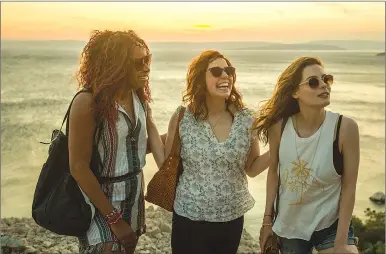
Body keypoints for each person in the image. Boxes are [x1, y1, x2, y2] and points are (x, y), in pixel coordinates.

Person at [147, 49, 270, 254]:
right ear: (200, 79)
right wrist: (150, 122)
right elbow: (165, 164)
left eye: (228, 70)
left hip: (231, 219)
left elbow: (252, 168)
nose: (225, 76)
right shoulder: (182, 117)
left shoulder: (246, 119)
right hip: (188, 218)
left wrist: (279, 148)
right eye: (216, 71)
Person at [254, 56, 360, 254]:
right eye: (313, 82)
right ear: (295, 92)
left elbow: (349, 186)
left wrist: (341, 242)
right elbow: (273, 173)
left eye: (326, 79)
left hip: (331, 225)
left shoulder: (345, 128)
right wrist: (267, 222)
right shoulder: (279, 127)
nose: (323, 86)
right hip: (289, 226)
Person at [68, 29, 160, 254]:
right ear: (116, 65)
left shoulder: (138, 96)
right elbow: (78, 166)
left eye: (147, 60)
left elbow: (135, 147)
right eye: (138, 63)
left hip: (134, 197)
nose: (146, 67)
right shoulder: (87, 102)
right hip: (100, 201)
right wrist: (114, 219)